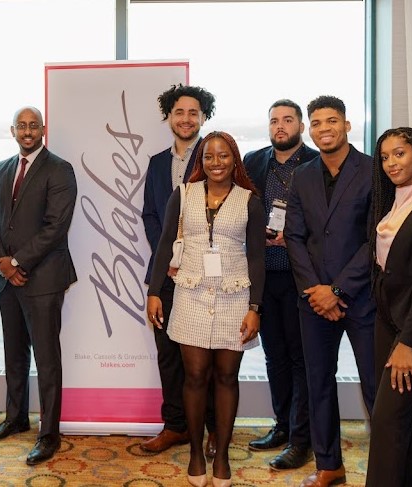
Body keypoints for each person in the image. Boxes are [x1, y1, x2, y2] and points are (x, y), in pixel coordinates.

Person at [147, 130, 264, 487]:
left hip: (233, 297)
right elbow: (165, 244)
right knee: (195, 376)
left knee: (227, 377)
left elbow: (258, 258)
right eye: (209, 156)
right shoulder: (183, 195)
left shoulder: (250, 201)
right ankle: (197, 454)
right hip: (191, 294)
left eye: (224, 156)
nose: (216, 163)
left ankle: (223, 455)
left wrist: (255, 307)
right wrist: (154, 291)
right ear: (201, 161)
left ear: (234, 160)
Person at [284, 95, 376, 487]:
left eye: (332, 121)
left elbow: (377, 240)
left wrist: (338, 289)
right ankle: (329, 465)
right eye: (317, 122)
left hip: (363, 298)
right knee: (318, 382)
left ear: (347, 125)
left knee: (377, 388)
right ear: (310, 128)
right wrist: (315, 291)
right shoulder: (302, 175)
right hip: (314, 301)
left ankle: (392, 467)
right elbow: (294, 235)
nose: (325, 128)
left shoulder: (374, 171)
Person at [0, 106, 77, 466]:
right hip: (8, 280)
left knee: (47, 359)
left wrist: (17, 262)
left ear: (42, 129)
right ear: (12, 131)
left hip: (44, 279)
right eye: (21, 126)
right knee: (14, 353)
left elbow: (56, 227)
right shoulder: (3, 169)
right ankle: (15, 418)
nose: (27, 131)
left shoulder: (60, 169)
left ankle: (49, 433)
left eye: (33, 125)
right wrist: (3, 264)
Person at [140, 84, 219, 457]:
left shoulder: (216, 157)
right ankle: (175, 426)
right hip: (166, 275)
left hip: (207, 276)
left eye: (193, 113)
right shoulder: (157, 162)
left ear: (204, 117)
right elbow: (151, 215)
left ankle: (213, 430)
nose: (186, 119)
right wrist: (166, 258)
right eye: (179, 112)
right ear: (168, 117)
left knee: (207, 358)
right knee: (168, 353)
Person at [242, 99, 317, 470]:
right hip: (264, 274)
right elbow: (238, 211)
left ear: (300, 125)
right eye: (274, 120)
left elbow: (329, 220)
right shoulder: (254, 162)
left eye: (288, 120)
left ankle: (303, 438)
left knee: (302, 358)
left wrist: (296, 237)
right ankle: (282, 426)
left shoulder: (317, 163)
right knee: (275, 356)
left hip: (302, 277)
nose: (280, 126)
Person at [364, 127, 412, 487]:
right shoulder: (391, 199)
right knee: (399, 419)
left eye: (400, 154)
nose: (391, 163)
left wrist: (408, 341)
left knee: (387, 419)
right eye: (385, 157)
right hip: (385, 321)